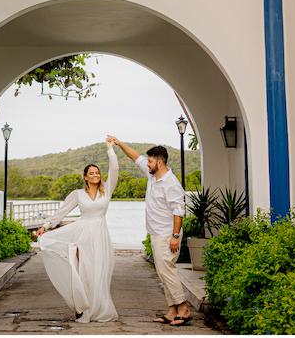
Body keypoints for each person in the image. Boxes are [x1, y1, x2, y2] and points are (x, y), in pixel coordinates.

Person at [108, 136, 192, 327]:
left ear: (159, 163)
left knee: (167, 272)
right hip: (156, 234)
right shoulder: (152, 175)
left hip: (167, 236)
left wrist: (175, 236)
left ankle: (184, 309)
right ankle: (172, 311)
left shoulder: (172, 184)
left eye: (150, 161)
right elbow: (135, 156)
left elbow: (179, 212)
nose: (147, 164)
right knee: (162, 273)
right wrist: (119, 143)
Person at [36, 137, 120, 323]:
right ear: (85, 177)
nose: (95, 175)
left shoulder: (107, 190)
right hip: (83, 236)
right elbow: (62, 211)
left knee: (101, 273)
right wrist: (46, 226)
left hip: (101, 236)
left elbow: (114, 170)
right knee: (86, 273)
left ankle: (100, 309)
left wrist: (110, 149)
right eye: (91, 173)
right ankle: (84, 308)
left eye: (97, 172)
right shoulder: (78, 194)